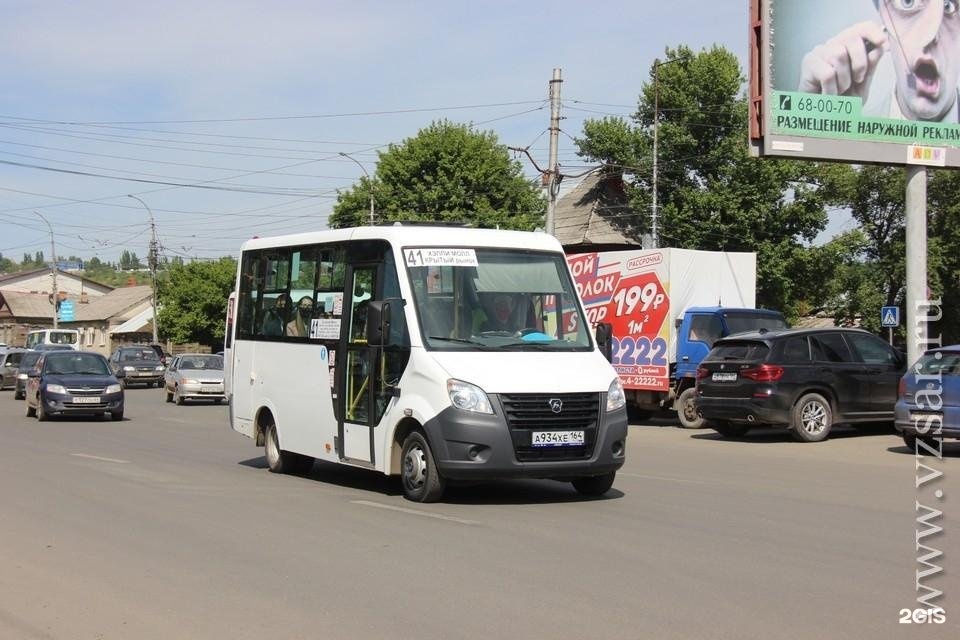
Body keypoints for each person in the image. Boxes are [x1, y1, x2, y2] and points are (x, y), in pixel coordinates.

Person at [798, 0, 960, 121]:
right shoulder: (854, 156)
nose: (929, 37)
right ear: (885, 24)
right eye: (908, 1)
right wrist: (814, 124)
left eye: (948, 5)